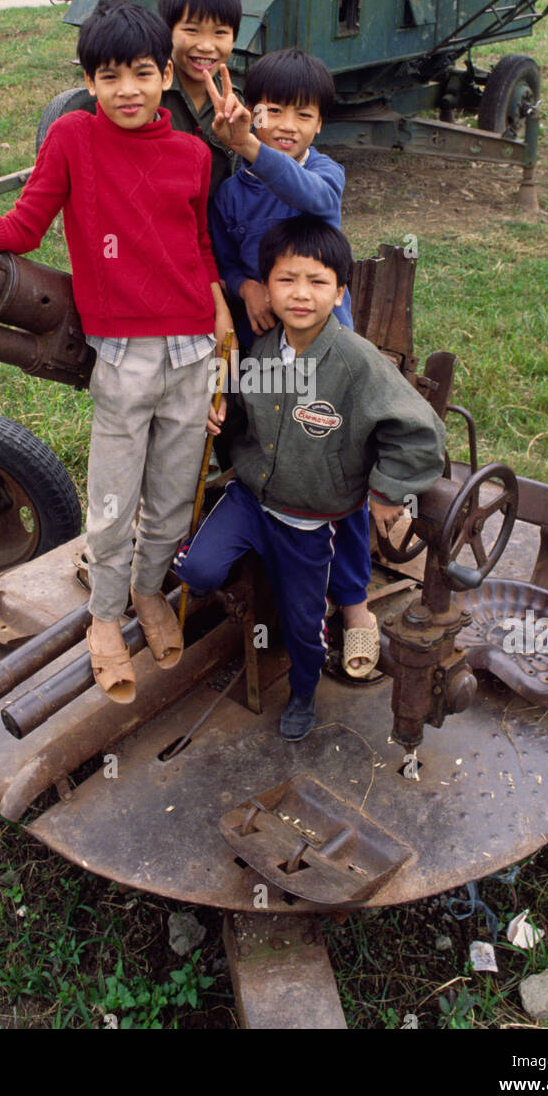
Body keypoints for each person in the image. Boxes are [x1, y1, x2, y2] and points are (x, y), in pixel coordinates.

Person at [0, 0, 233, 706]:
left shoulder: (194, 155)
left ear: (166, 74)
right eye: (109, 76)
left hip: (194, 349)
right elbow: (21, 226)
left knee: (168, 502)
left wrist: (220, 336)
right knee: (110, 499)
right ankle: (104, 614)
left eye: (141, 72)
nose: (127, 90)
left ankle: (146, 590)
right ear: (89, 82)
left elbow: (198, 248)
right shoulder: (74, 138)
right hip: (125, 357)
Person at [173, 216, 446, 741]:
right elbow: (245, 411)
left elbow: (420, 433)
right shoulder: (260, 351)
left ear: (339, 291)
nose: (301, 294)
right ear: (265, 288)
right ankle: (215, 567)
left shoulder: (355, 363)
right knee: (200, 572)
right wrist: (223, 412)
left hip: (307, 520)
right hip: (251, 497)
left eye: (317, 282)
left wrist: (388, 494)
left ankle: (302, 691)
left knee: (303, 626)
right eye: (286, 280)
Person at [203, 49, 377, 678]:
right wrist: (245, 286)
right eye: (272, 110)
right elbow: (219, 257)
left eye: (302, 115)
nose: (285, 125)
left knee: (337, 463)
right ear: (254, 105)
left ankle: (354, 606)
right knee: (254, 445)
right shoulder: (229, 193)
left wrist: (248, 144)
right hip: (260, 345)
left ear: (320, 126)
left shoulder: (325, 176)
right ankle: (259, 548)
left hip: (325, 349)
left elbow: (300, 190)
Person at [157, 0, 244, 199]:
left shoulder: (237, 103)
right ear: (168, 31)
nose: (206, 46)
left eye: (220, 33)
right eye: (192, 30)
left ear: (234, 39)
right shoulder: (150, 95)